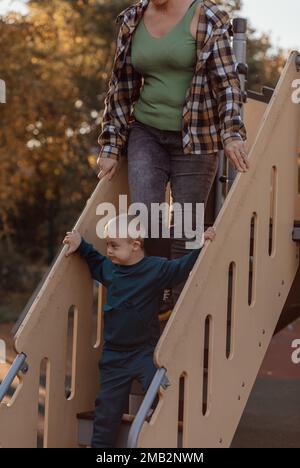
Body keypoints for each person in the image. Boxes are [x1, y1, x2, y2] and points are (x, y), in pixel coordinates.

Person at [96, 0, 249, 311]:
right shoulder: (132, 19)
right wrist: (111, 146)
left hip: (197, 137)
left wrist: (231, 134)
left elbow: (228, 85)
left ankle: (179, 312)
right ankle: (156, 295)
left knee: (186, 229)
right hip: (146, 132)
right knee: (147, 216)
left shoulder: (208, 17)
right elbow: (121, 86)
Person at [62, 214, 216, 448]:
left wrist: (201, 245)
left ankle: (153, 422)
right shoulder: (111, 270)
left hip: (144, 351)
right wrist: (80, 244)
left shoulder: (155, 269)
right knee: (106, 413)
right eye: (108, 245)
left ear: (135, 246)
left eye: (114, 245)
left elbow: (181, 268)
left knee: (162, 386)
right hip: (114, 356)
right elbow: (94, 260)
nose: (109, 251)